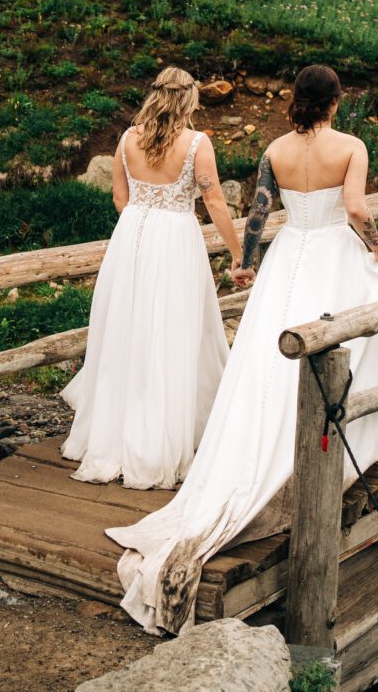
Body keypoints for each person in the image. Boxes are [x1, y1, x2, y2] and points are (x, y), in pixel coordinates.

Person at [106, 64, 378, 634]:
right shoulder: (351, 146)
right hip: (331, 254)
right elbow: (355, 209)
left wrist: (247, 262)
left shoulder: (275, 150)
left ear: (296, 102)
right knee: (361, 323)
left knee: (266, 357)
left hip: (287, 259)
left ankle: (265, 439)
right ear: (334, 102)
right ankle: (352, 435)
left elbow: (258, 213)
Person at [61, 66, 246, 490]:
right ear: (189, 99)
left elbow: (120, 199)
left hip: (130, 240)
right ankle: (159, 441)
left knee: (127, 332)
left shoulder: (128, 139)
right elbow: (215, 201)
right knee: (171, 334)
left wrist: (142, 229)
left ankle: (111, 436)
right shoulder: (197, 143)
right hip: (176, 240)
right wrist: (239, 253)